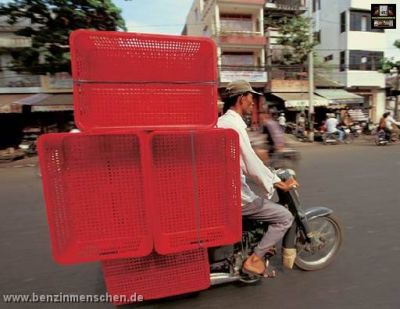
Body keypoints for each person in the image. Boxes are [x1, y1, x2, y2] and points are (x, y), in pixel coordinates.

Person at [217, 80, 295, 277]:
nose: (253, 102)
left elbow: (247, 160)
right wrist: (278, 183)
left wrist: (269, 174)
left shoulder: (223, 122)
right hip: (235, 197)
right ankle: (255, 259)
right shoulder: (233, 124)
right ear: (242, 98)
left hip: (222, 191)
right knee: (284, 217)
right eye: (251, 97)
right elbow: (250, 162)